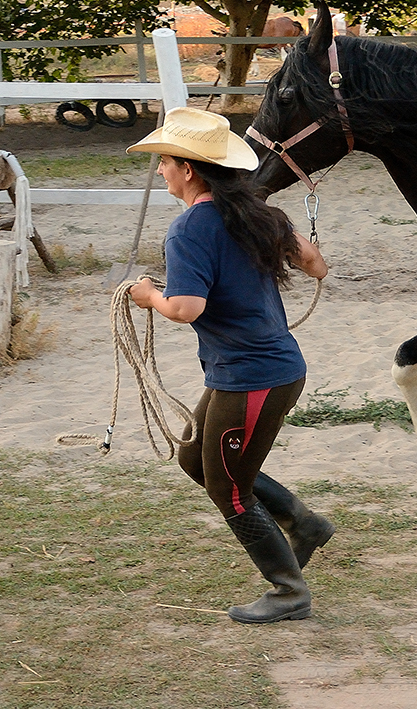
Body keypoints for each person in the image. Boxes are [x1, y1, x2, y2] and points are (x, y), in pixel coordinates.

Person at [126, 107, 334, 624]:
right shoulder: (260, 214)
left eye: (165, 162)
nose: (160, 171)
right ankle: (301, 523)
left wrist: (147, 295)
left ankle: (289, 591)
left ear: (189, 169)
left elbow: (185, 309)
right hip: (260, 370)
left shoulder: (189, 230)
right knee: (195, 458)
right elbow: (316, 265)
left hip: (253, 377)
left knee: (227, 488)